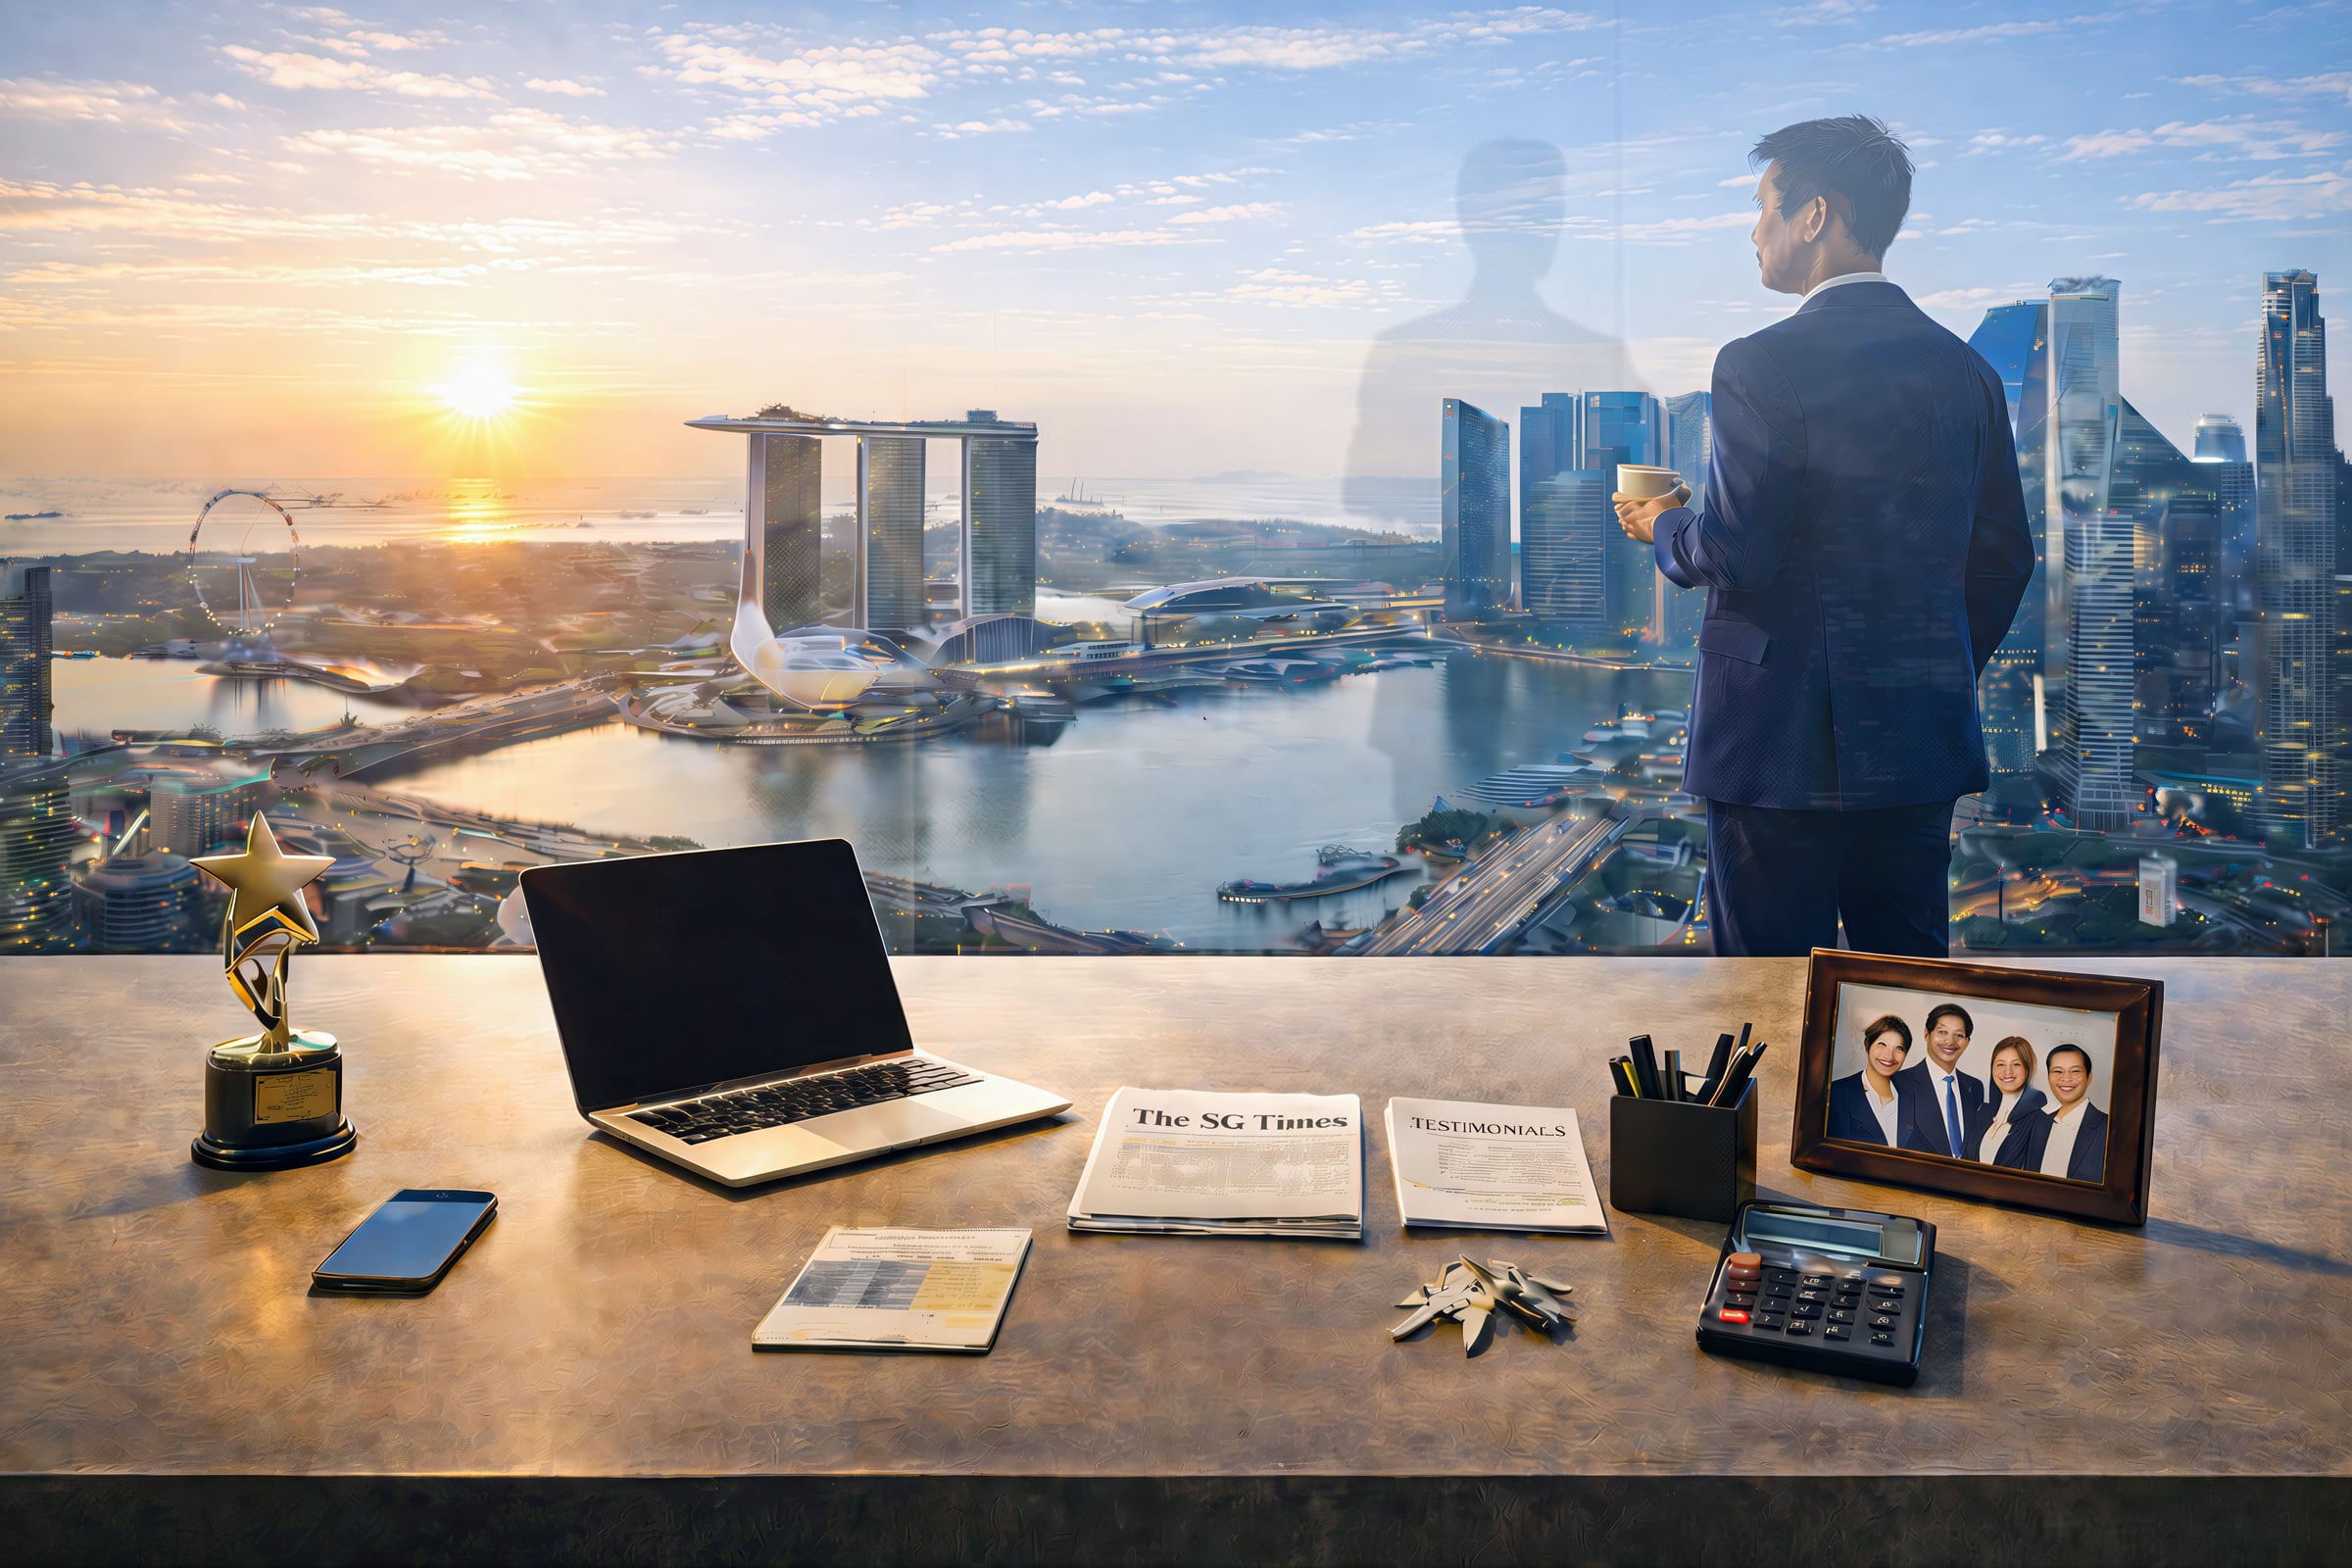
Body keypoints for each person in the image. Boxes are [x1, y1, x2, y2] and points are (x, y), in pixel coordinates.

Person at [1612, 116, 2034, 957]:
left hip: (1773, 748)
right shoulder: (1969, 373)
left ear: (1816, 213)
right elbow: (2004, 563)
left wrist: (1665, 527)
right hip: (1916, 746)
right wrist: (1922, 679)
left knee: (1760, 1007)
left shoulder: (1759, 363)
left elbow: (1735, 549)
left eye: (1764, 207)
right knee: (1905, 1005)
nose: (1753, 229)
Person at [1993, 1044, 2108, 1182]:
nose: (2066, 1078)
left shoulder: (2107, 1128)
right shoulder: (2039, 1123)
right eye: (2058, 1071)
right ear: (2048, 1077)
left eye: (2075, 1071)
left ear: (2089, 1077)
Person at [1891, 1002, 1986, 1158]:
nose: (1950, 1041)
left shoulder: (1974, 1086)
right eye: (1942, 1032)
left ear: (1967, 1042)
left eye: (1958, 1035)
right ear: (1926, 1034)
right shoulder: (1900, 1082)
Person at [1826, 1013, 1910, 1145]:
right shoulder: (1836, 1093)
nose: (1889, 1056)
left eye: (1899, 1048)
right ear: (1868, 1046)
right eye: (1882, 1044)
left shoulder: (1912, 1098)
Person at [1966, 1036, 2045, 1163]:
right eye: (2000, 1064)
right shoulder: (1983, 1114)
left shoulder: (2037, 1119)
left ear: (2028, 1068)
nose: (2007, 1071)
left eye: (2016, 1064)